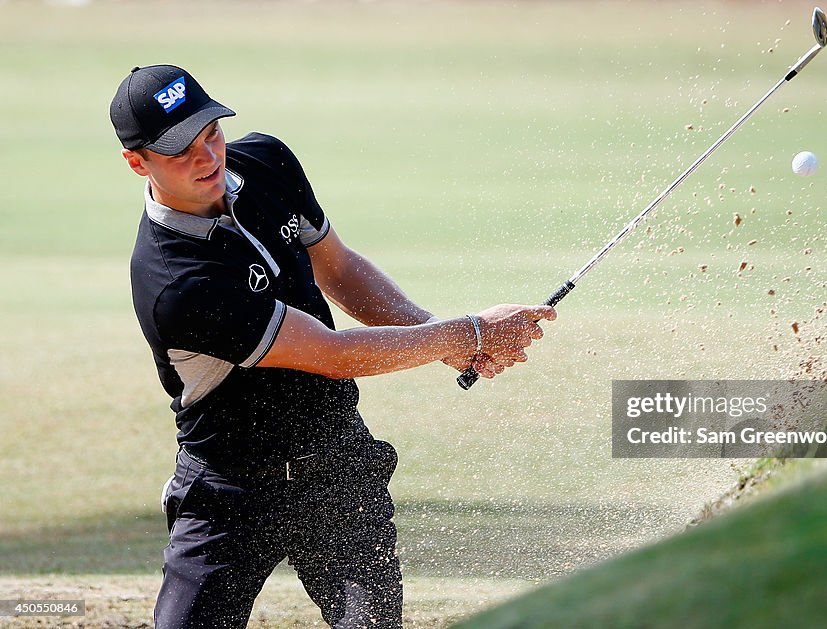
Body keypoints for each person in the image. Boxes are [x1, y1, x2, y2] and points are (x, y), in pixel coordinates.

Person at [110, 64, 555, 629]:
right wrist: (467, 333)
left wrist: (448, 340)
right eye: (180, 151)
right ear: (136, 161)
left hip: (338, 468)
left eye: (212, 133)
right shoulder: (175, 282)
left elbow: (339, 269)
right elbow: (331, 353)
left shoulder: (267, 163)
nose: (208, 158)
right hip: (232, 491)